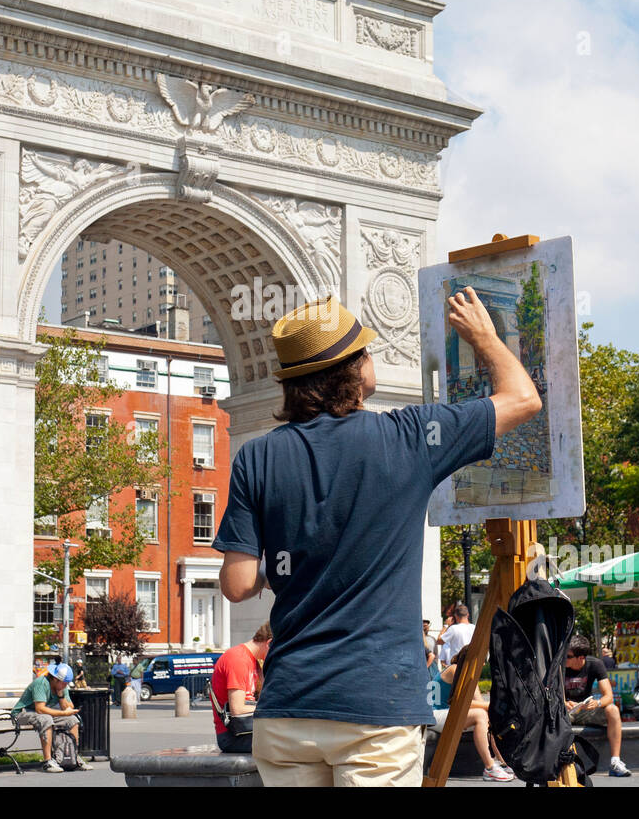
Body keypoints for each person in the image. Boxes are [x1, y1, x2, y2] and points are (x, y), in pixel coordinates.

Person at [214, 291, 542, 787]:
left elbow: (237, 583)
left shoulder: (256, 457)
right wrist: (484, 337)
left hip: (288, 708)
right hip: (376, 707)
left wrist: (295, 558)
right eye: (365, 350)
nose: (373, 358)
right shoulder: (409, 437)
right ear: (353, 370)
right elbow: (523, 398)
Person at [430, 652, 513, 782]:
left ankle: (504, 764)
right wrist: (493, 706)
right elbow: (461, 703)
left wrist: (492, 709)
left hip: (446, 713)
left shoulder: (467, 673)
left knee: (486, 716)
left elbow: (477, 702)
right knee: (480, 715)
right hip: (434, 714)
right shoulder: (455, 669)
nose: (485, 663)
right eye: (482, 659)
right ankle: (490, 768)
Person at [563, 634, 631, 777]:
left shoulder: (595, 664)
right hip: (565, 712)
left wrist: (597, 703)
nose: (565, 658)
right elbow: (553, 693)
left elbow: (608, 696)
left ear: (580, 657)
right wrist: (563, 702)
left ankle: (615, 761)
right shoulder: (560, 666)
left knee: (613, 710)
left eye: (568, 656)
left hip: (585, 710)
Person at [11, 662, 89, 772]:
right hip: (23, 713)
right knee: (46, 719)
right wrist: (64, 713)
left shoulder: (61, 686)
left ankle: (74, 757)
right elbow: (40, 709)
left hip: (43, 714)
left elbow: (69, 707)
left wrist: (61, 696)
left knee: (72, 720)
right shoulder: (41, 683)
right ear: (55, 679)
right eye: (64, 683)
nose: (66, 685)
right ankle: (48, 762)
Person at [211, 623, 272, 753]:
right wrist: (274, 709)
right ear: (269, 643)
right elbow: (238, 710)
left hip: (249, 730)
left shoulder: (254, 662)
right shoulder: (238, 659)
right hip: (233, 736)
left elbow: (266, 698)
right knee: (294, 745)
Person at [436, 603, 475, 671]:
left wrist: (446, 625)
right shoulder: (474, 627)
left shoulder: (454, 628)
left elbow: (439, 641)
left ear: (456, 616)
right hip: (471, 664)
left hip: (457, 665)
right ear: (468, 615)